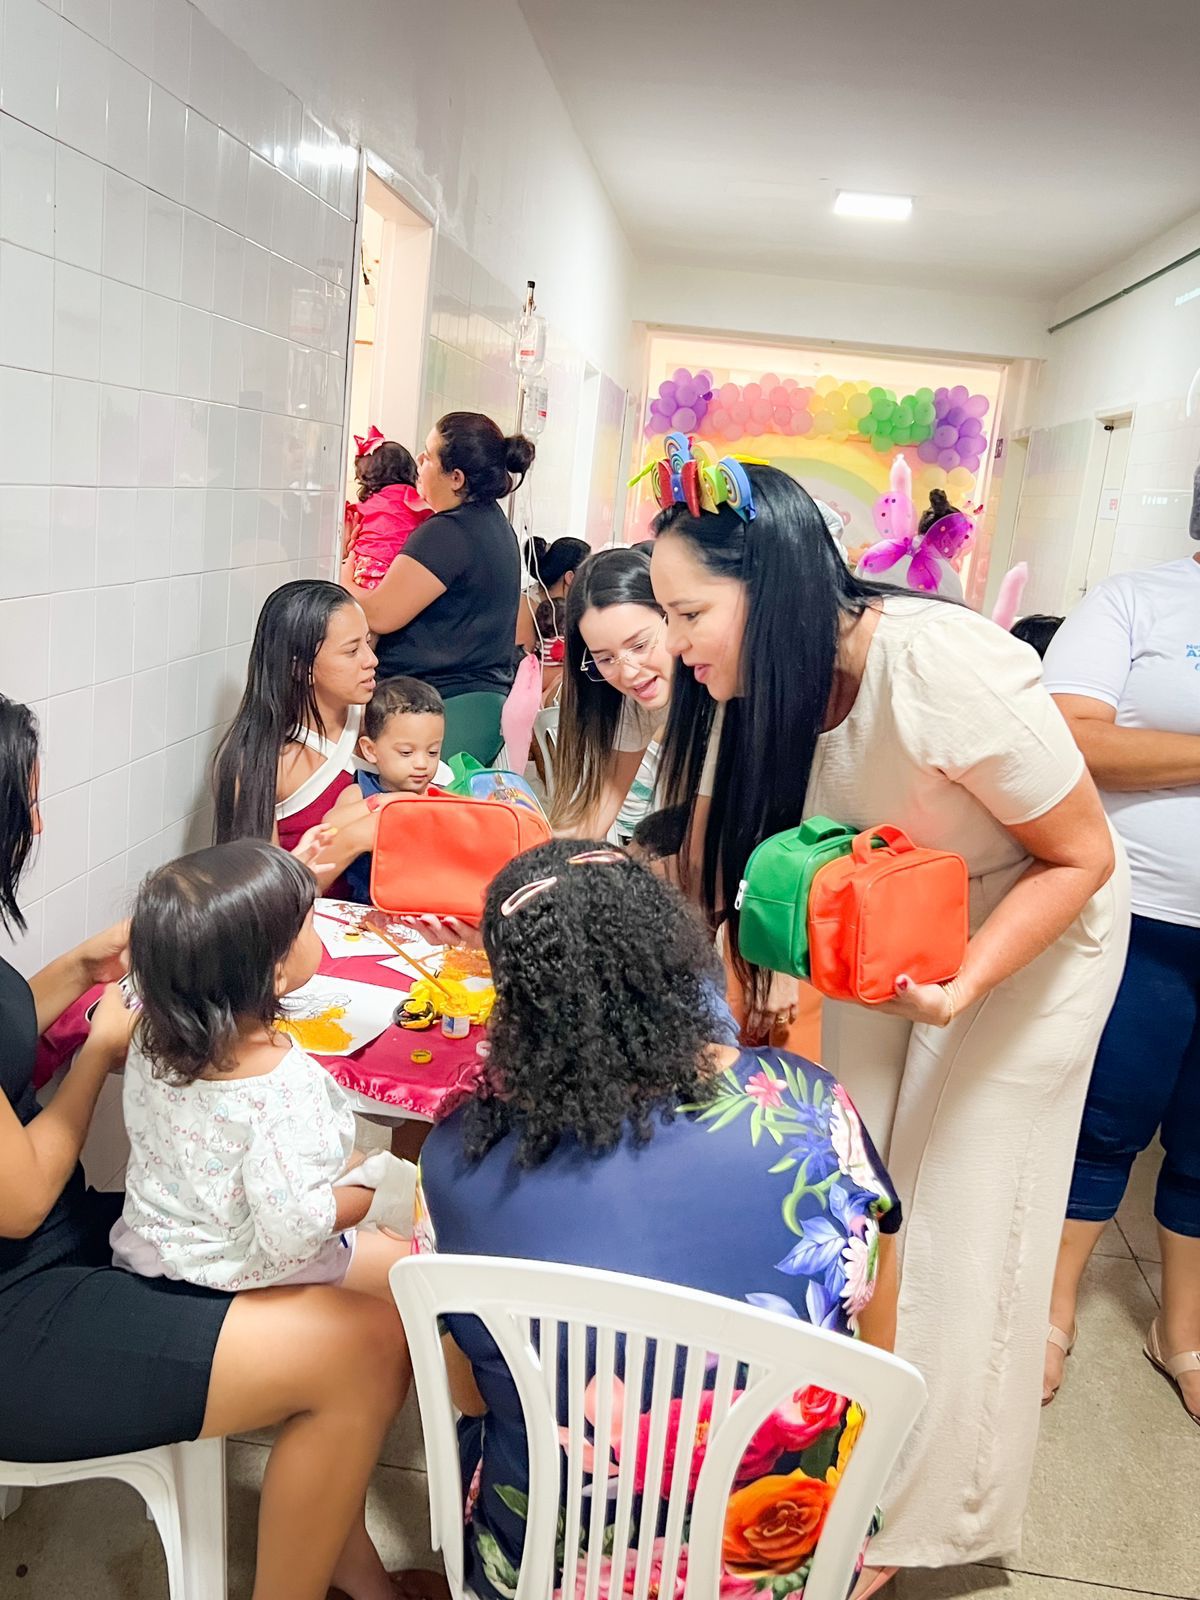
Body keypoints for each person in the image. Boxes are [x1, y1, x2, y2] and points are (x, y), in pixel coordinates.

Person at [650, 465, 1128, 1580]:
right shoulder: (761, 684)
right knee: (858, 1196)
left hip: (1032, 938)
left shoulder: (937, 670)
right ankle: (842, 1468)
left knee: (953, 1220)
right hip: (894, 934)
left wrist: (964, 988)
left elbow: (1084, 854)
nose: (677, 644)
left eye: (688, 614)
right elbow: (737, 858)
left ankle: (912, 1524)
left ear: (768, 588)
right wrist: (748, 980)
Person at [0, 696, 410, 1600]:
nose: (38, 819)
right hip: (20, 1304)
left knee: (385, 1300)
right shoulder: (265, 1079)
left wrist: (73, 968)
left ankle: (356, 1572)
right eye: (24, 801)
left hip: (88, 1238)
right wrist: (96, 1054)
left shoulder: (193, 1044)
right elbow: (20, 1197)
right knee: (370, 1345)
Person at [416, 839, 902, 1600]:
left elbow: (472, 1396)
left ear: (517, 1005)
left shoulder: (456, 1161)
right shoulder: (808, 1108)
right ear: (678, 962)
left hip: (550, 1564)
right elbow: (873, 1334)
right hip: (780, 1555)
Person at [1041, 553, 1200, 1422]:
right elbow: (1071, 735)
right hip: (1144, 920)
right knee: (1105, 1119)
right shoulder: (1139, 601)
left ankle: (1181, 1331)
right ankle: (1051, 1307)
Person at [112, 840, 415, 1293]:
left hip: (150, 1247)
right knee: (417, 1277)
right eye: (311, 927)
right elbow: (293, 1234)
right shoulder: (285, 1087)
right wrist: (378, 1197)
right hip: (245, 1271)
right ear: (274, 972)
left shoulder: (148, 1035)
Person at [340, 414, 534, 759]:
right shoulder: (494, 525)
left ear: (456, 478)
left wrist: (344, 573)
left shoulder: (448, 533)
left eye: (428, 457)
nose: (419, 463)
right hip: (476, 705)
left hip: (441, 707)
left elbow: (379, 614)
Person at [213, 579, 384, 895]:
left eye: (368, 642)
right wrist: (351, 839)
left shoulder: (382, 719)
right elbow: (262, 903)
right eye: (351, 651)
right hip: (310, 935)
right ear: (302, 668)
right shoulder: (258, 762)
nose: (370, 660)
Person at [551, 546, 672, 843]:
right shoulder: (635, 703)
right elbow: (595, 818)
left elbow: (699, 854)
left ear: (672, 616)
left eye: (640, 645)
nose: (629, 672)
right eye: (605, 659)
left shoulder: (720, 699)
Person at [324, 677, 454, 905]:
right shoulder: (362, 791)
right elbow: (330, 825)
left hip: (429, 905)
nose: (422, 763)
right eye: (406, 752)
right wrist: (380, 803)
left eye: (433, 752)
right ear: (370, 750)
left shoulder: (439, 794)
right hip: (369, 907)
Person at [343, 432, 433, 589]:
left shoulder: (368, 504)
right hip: (400, 572)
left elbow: (348, 518)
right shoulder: (414, 498)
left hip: (364, 568)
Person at [516, 535, 590, 655]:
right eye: (587, 574)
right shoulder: (526, 604)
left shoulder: (577, 607)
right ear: (570, 577)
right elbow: (521, 661)